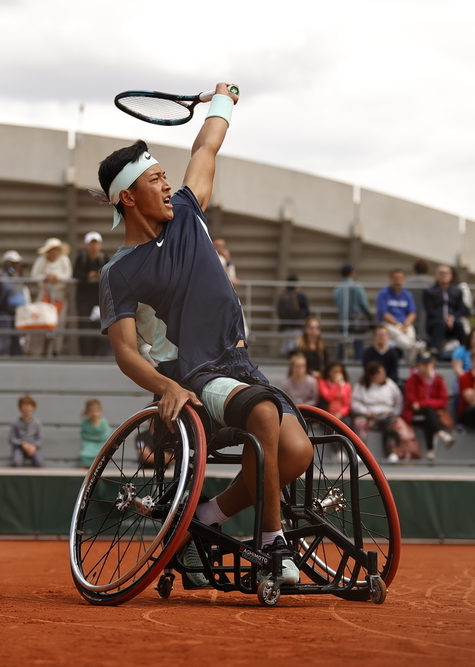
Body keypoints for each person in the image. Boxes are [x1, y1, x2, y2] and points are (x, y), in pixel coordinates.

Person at [96, 83, 311, 586]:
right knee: (264, 413)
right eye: (155, 179)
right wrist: (165, 386)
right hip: (193, 373)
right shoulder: (117, 273)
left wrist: (223, 100)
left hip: (240, 365)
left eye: (165, 177)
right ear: (128, 197)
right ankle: (272, 543)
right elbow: (126, 352)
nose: (167, 185)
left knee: (298, 452)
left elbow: (206, 147)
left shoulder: (188, 212)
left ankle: (206, 517)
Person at [351, 361, 407, 463]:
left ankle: (392, 452)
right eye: (379, 373)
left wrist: (394, 413)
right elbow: (355, 402)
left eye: (383, 372)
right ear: (371, 375)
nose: (383, 375)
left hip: (386, 414)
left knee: (393, 425)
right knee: (359, 423)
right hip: (368, 414)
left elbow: (399, 400)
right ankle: (360, 452)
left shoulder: (390, 384)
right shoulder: (361, 385)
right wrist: (364, 411)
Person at [402, 352, 454, 460]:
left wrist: (423, 403)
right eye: (423, 364)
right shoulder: (412, 380)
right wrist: (429, 405)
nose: (426, 367)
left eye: (428, 363)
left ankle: (431, 451)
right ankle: (441, 434)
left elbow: (443, 401)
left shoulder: (438, 379)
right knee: (429, 413)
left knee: (429, 416)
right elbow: (412, 402)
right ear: (418, 365)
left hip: (430, 414)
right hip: (414, 415)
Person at [30, 237, 72, 357]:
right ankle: (41, 350)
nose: (54, 252)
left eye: (56, 249)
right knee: (42, 322)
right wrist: (45, 277)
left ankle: (55, 350)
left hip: (59, 295)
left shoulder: (64, 260)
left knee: (59, 323)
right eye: (52, 250)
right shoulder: (41, 260)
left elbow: (68, 276)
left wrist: (57, 277)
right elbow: (34, 276)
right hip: (45, 294)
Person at [0, 250, 28, 357]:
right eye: (12, 263)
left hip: (17, 314)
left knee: (16, 340)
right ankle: (0, 361)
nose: (15, 266)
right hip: (4, 313)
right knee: (2, 341)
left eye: (17, 263)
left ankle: (17, 360)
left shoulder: (18, 277)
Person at [73, 232, 111, 356]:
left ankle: (98, 354)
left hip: (100, 298)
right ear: (86, 245)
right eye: (91, 244)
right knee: (84, 324)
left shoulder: (104, 258)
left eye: (96, 243)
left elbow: (111, 272)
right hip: (84, 298)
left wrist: (100, 275)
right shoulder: (81, 258)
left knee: (100, 325)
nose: (93, 246)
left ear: (100, 245)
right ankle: (85, 354)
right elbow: (76, 273)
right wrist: (87, 276)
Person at [376, 268, 423, 362]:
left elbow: (412, 312)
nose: (398, 281)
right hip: (389, 323)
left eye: (400, 279)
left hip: (405, 323)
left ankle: (410, 351)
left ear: (403, 280)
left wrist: (405, 325)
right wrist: (398, 325)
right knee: (397, 334)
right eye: (395, 279)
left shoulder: (407, 295)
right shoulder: (383, 294)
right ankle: (414, 346)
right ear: (391, 279)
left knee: (410, 333)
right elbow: (384, 313)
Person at [423, 264, 469, 356]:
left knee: (459, 324)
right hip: (436, 321)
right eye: (441, 273)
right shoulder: (429, 292)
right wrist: (444, 318)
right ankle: (434, 349)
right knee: (440, 324)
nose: (444, 275)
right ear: (436, 275)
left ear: (451, 276)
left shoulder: (457, 291)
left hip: (453, 321)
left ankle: (467, 349)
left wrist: (452, 318)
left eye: (446, 273)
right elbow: (430, 310)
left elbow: (461, 309)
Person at [333, 263, 371, 361]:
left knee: (342, 344)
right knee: (359, 344)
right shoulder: (357, 286)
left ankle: (340, 363)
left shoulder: (337, 289)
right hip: (356, 321)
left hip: (343, 320)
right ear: (352, 273)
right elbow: (364, 303)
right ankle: (359, 362)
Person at [276, 275, 310, 356]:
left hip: (285, 327)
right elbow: (307, 311)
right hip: (298, 325)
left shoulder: (282, 296)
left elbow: (279, 311)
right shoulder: (300, 296)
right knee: (296, 349)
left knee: (286, 348)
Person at [10, 395, 44, 467]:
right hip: (19, 448)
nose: (27, 408)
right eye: (24, 406)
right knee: (16, 462)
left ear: (33, 408)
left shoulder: (37, 423)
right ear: (20, 408)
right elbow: (12, 439)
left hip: (33, 447)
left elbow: (39, 439)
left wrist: (34, 446)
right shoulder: (15, 423)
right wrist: (22, 444)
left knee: (39, 462)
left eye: (29, 406)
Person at [78, 399, 111, 468]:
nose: (94, 413)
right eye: (91, 411)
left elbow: (106, 435)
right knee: (85, 456)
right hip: (88, 446)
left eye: (96, 410)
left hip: (100, 445)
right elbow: (84, 435)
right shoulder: (85, 423)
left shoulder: (104, 423)